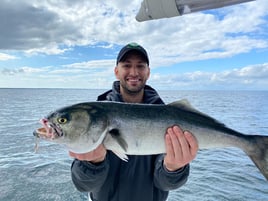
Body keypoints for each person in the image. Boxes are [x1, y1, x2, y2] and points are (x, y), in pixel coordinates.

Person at [69, 42, 198, 201]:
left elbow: (165, 183)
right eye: (127, 65)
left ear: (148, 72)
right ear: (117, 71)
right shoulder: (95, 116)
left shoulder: (167, 118)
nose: (134, 72)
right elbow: (83, 185)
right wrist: (92, 164)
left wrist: (173, 168)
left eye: (140, 66)